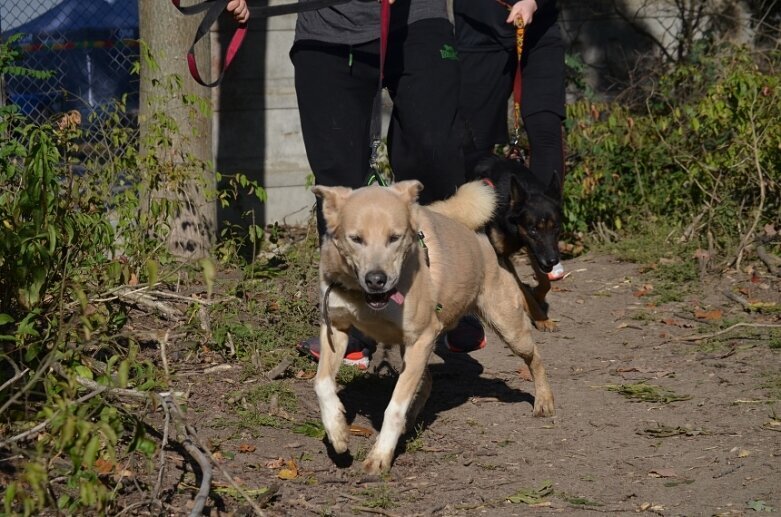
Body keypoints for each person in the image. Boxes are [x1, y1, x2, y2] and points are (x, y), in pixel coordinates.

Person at [227, 0, 485, 366]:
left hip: (416, 22)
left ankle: (450, 295)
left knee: (431, 150)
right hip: (328, 30)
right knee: (338, 182)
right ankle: (349, 321)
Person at [454, 0, 566, 281]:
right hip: (479, 32)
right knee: (475, 144)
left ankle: (543, 235)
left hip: (539, 30)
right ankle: (479, 243)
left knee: (545, 127)